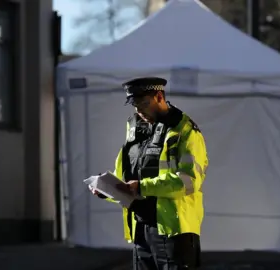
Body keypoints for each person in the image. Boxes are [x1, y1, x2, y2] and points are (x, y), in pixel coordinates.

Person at [89, 77, 208, 270]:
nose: (138, 111)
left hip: (174, 234)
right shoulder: (136, 132)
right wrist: (108, 191)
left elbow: (187, 182)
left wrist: (142, 187)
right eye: (134, 105)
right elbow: (125, 179)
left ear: (159, 96)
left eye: (143, 103)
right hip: (141, 231)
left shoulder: (184, 131)